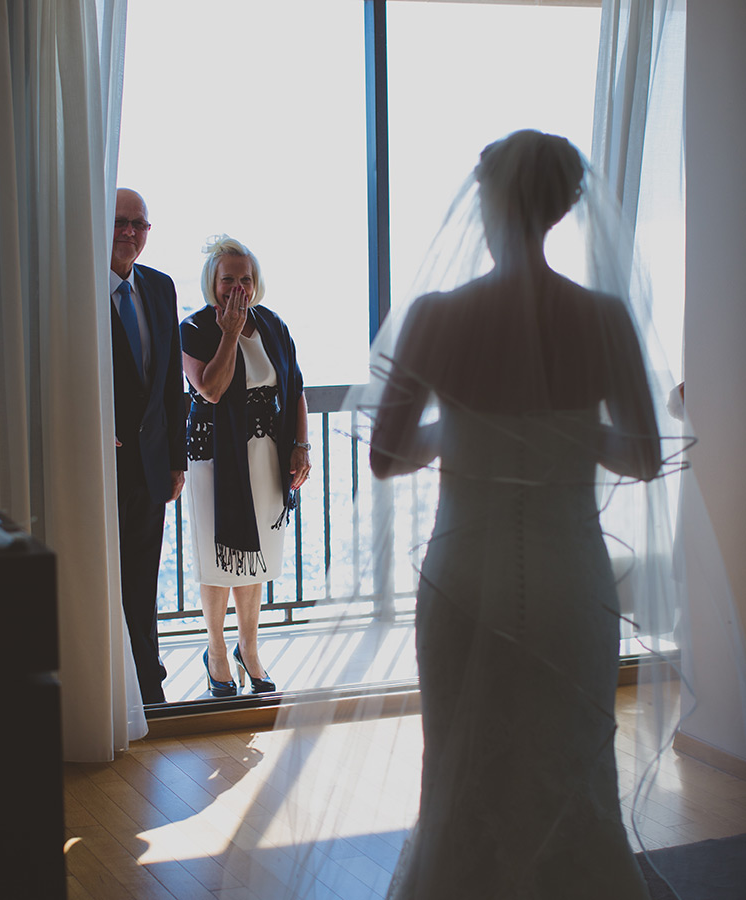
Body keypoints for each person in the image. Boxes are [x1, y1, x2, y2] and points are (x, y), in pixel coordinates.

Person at [365, 129, 663, 898]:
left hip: (466, 577)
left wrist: (464, 430)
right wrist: (564, 433)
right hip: (570, 579)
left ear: (487, 203)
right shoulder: (606, 320)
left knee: (463, 771)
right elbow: (643, 456)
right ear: (564, 207)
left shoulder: (435, 316)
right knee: (572, 770)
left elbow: (386, 457)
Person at [180, 235, 310, 696]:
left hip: (264, 456)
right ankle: (216, 651)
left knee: (256, 559)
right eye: (228, 279)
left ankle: (249, 649)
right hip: (216, 458)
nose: (238, 288)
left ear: (257, 284)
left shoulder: (272, 324)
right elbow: (211, 390)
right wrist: (230, 333)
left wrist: (301, 446)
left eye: (245, 279)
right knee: (219, 557)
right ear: (212, 284)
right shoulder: (195, 328)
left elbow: (293, 388)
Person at [111, 188, 187, 705]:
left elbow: (169, 388)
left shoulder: (160, 288)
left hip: (151, 466)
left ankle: (149, 688)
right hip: (99, 463)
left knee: (142, 580)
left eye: (140, 223)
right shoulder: (78, 290)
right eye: (121, 222)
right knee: (106, 580)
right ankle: (111, 691)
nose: (131, 232)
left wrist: (177, 461)